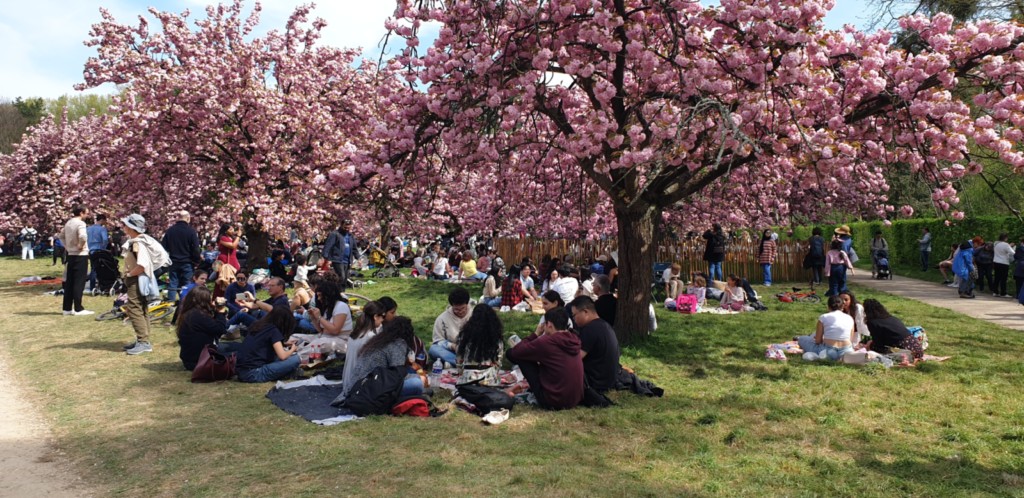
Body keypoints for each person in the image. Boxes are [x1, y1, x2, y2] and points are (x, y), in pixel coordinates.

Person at [506, 307, 584, 410]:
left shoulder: (547, 341)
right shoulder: (574, 339)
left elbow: (516, 352)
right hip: (575, 399)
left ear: (549, 324)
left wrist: (535, 334)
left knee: (521, 356)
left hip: (554, 401)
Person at [339, 316, 425, 402]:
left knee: (411, 371)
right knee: (417, 383)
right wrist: (420, 378)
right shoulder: (398, 344)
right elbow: (397, 374)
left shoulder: (379, 340)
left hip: (357, 387)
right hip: (367, 391)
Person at [219, 306, 300, 383]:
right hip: (254, 373)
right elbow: (282, 356)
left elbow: (263, 343)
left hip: (241, 370)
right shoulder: (274, 331)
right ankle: (288, 372)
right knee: (296, 359)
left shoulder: (259, 325)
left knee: (279, 359)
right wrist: (293, 349)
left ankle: (287, 373)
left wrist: (284, 344)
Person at [568, 296, 620, 393]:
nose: (574, 319)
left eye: (574, 315)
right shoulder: (604, 325)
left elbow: (575, 358)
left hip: (595, 382)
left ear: (585, 312)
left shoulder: (590, 329)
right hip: (609, 379)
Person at [290, 279, 353, 357]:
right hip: (324, 336)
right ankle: (292, 351)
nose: (319, 299)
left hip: (341, 340)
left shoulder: (341, 306)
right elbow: (320, 330)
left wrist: (319, 317)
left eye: (320, 295)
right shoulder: (328, 308)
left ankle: (294, 356)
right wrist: (313, 317)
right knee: (294, 336)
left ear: (328, 295)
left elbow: (335, 331)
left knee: (319, 343)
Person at [121, 214, 153, 355]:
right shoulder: (137, 241)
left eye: (126, 224)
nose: (123, 227)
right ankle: (143, 339)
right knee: (141, 308)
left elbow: (142, 264)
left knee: (135, 309)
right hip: (139, 278)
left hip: (136, 279)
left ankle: (143, 342)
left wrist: (129, 274)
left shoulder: (137, 243)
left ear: (132, 227)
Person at [176, 286, 228, 370]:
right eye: (209, 299)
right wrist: (220, 311)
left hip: (193, 358)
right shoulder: (197, 315)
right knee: (241, 353)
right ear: (203, 301)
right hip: (201, 361)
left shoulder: (190, 312)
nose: (211, 301)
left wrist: (215, 309)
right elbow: (220, 329)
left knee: (236, 346)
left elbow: (212, 326)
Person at [342, 301, 387, 394]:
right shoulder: (370, 337)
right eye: (383, 316)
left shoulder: (356, 334)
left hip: (347, 383)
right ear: (375, 317)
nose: (383, 320)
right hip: (357, 389)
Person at [455, 304, 505, 386]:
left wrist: (461, 372)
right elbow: (498, 361)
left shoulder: (465, 335)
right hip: (489, 380)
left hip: (467, 380)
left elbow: (459, 358)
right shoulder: (495, 337)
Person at [797, 295, 855, 361]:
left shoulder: (823, 317)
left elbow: (818, 341)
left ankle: (822, 356)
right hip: (847, 350)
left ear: (828, 307)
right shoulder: (850, 318)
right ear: (842, 307)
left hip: (828, 350)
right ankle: (843, 358)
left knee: (802, 339)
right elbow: (850, 339)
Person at [226, 276, 292, 333]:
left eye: (272, 286)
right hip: (267, 325)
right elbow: (258, 305)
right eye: (268, 286)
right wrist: (245, 303)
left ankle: (221, 330)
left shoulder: (282, 300)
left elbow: (272, 309)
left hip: (270, 330)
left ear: (280, 287)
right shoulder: (274, 298)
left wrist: (254, 299)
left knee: (241, 315)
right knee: (250, 313)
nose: (269, 288)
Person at [162, 210, 201, 302]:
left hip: (173, 261)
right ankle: (186, 301)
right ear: (188, 218)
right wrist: (197, 260)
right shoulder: (191, 231)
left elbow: (163, 247)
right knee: (187, 283)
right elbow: (195, 248)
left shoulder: (170, 230)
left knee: (173, 282)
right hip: (187, 261)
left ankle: (170, 302)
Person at [61, 205, 92, 316]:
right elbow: (83, 237)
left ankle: (67, 308)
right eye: (86, 213)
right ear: (81, 213)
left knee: (69, 281)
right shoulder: (80, 224)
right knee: (79, 281)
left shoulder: (68, 223)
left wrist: (67, 246)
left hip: (70, 254)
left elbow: (61, 236)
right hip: (80, 254)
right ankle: (78, 308)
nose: (87, 215)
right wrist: (80, 245)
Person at [430, 287, 471, 365]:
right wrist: (452, 346)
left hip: (471, 349)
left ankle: (454, 363)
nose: (460, 312)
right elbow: (438, 341)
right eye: (457, 309)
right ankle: (461, 363)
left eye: (463, 308)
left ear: (467, 304)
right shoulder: (442, 318)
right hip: (452, 351)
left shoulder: (474, 315)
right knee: (433, 349)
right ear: (451, 306)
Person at [322, 219, 355, 289]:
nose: (346, 229)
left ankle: (342, 292)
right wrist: (326, 258)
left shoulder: (350, 236)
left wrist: (358, 257)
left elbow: (354, 247)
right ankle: (337, 290)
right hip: (337, 259)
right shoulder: (335, 234)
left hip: (347, 260)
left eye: (348, 228)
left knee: (345, 278)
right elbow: (328, 246)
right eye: (345, 227)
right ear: (341, 225)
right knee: (341, 276)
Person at [87, 214, 110, 292]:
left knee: (93, 268)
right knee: (100, 268)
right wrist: (104, 248)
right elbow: (105, 240)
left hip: (90, 250)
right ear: (102, 220)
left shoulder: (88, 228)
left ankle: (92, 286)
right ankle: (101, 285)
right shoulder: (102, 229)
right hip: (99, 249)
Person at [993, 233, 1015, 298]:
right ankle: (1003, 293)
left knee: (997, 277)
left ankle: (995, 292)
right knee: (1003, 278)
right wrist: (1011, 246)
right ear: (1005, 238)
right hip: (1004, 263)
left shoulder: (996, 243)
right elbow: (1012, 252)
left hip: (996, 262)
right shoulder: (1006, 245)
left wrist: (1009, 245)